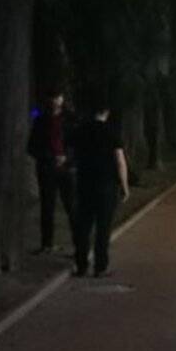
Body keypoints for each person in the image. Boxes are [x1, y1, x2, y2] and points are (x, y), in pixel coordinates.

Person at [70, 103, 130, 277]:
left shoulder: (80, 131)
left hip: (85, 184)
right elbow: (120, 161)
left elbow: (71, 154)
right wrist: (124, 185)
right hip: (106, 185)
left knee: (83, 226)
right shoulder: (111, 132)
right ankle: (100, 266)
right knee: (103, 228)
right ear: (107, 112)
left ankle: (81, 265)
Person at [27, 93, 74, 254]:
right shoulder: (41, 120)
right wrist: (49, 157)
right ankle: (47, 243)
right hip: (47, 168)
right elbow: (32, 146)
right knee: (47, 207)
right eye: (53, 97)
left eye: (58, 97)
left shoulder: (70, 119)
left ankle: (79, 243)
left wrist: (67, 157)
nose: (55, 101)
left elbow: (75, 143)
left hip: (66, 169)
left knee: (71, 206)